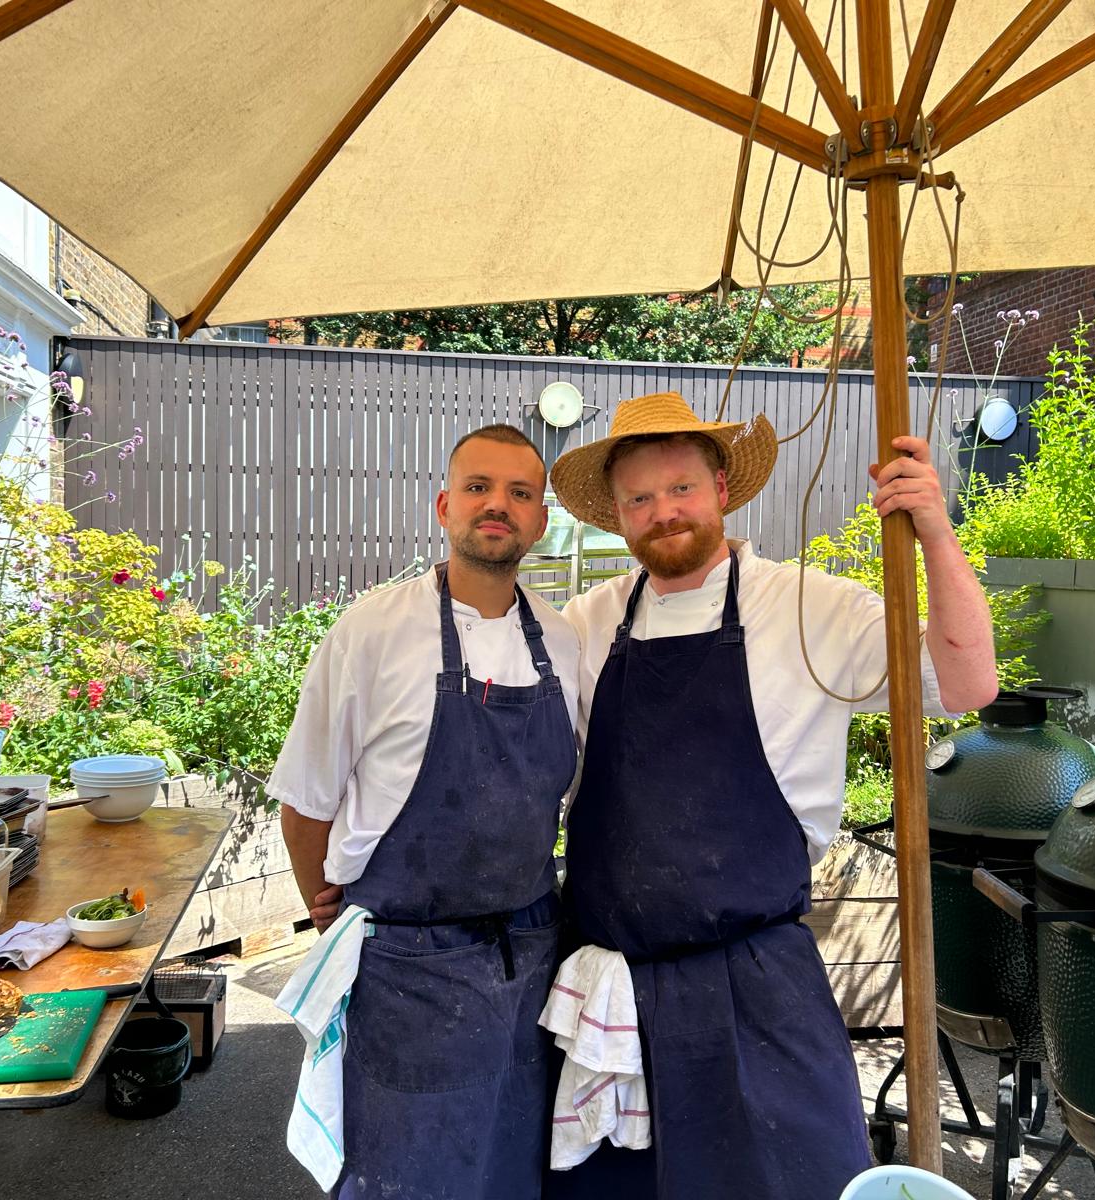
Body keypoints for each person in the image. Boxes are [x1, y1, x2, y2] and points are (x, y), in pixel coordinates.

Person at [543, 392, 999, 1199]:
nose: (664, 512)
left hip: (752, 992)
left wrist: (933, 525)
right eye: (640, 499)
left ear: (722, 486)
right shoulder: (590, 621)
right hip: (611, 997)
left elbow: (967, 682)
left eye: (680, 487)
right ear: (616, 515)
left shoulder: (806, 606)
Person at [270, 424, 581, 1199]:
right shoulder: (372, 631)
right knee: (408, 1177)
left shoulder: (567, 644)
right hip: (408, 974)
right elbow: (307, 806)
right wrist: (329, 906)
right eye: (478, 487)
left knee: (514, 1169)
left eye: (518, 493)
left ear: (541, 520)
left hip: (530, 960)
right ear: (445, 506)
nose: (497, 506)